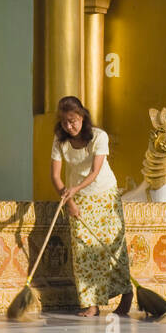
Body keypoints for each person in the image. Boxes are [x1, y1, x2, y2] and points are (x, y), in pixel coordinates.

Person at [50, 96, 132, 319]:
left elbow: (95, 171)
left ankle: (126, 295)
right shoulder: (60, 141)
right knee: (83, 251)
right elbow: (55, 176)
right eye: (65, 122)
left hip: (105, 196)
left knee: (112, 246)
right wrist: (70, 201)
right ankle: (91, 303)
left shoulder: (99, 136)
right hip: (80, 201)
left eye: (74, 120)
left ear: (82, 117)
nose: (70, 126)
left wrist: (74, 189)